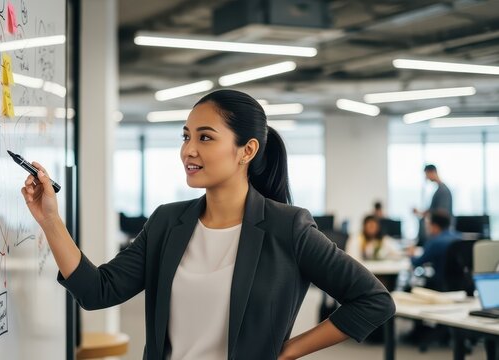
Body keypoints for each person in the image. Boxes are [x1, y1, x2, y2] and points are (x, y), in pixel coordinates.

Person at [20, 90, 395, 359]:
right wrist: (50, 220)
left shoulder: (288, 227)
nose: (189, 150)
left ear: (247, 150)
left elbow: (373, 300)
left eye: (205, 137)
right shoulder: (168, 221)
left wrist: (287, 352)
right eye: (186, 136)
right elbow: (96, 291)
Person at [407, 211, 459, 291]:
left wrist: (411, 254)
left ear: (435, 226)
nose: (427, 228)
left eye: (428, 225)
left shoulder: (435, 242)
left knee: (409, 287)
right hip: (460, 286)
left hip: (439, 286)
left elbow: (417, 263)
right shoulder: (459, 238)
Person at [413, 164, 453, 245]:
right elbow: (434, 210)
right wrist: (422, 213)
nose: (426, 178)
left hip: (442, 230)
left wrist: (426, 214)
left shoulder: (443, 191)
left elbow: (441, 212)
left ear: (432, 172)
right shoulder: (439, 190)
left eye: (426, 175)